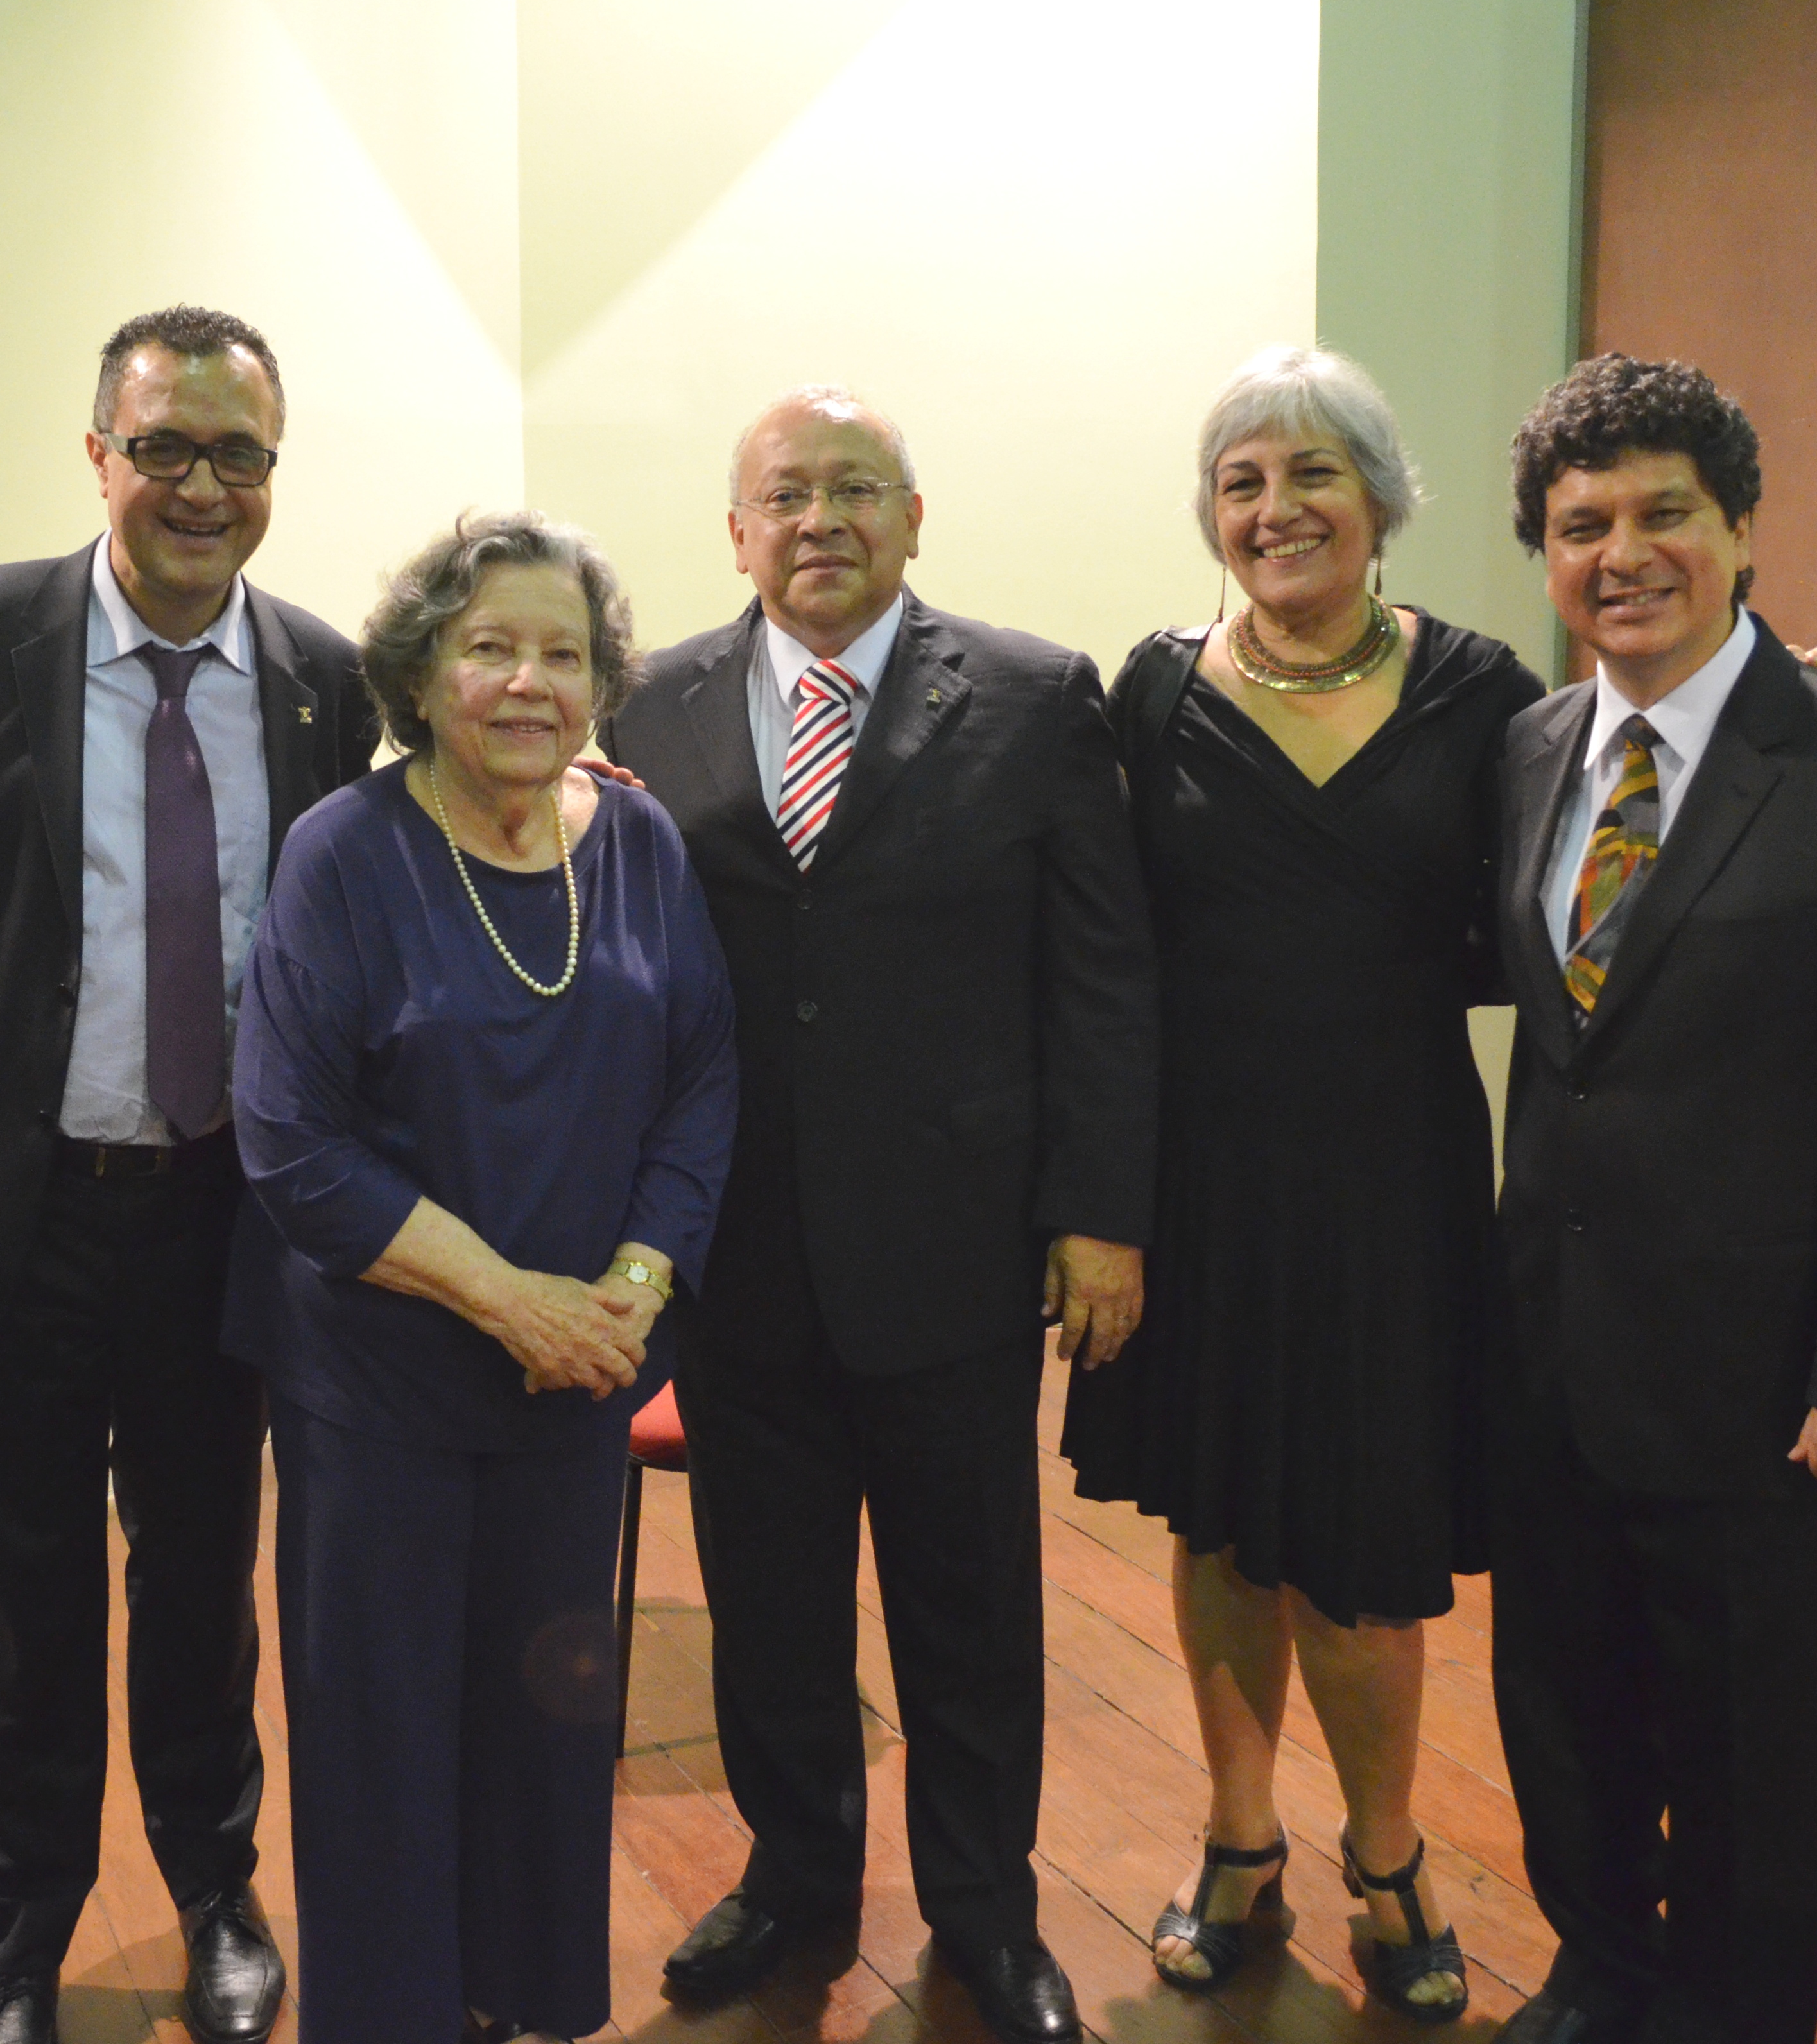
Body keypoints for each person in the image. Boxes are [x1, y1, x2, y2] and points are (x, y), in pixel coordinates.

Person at [603, 388, 1157, 2044]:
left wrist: (1101, 1213)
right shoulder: (654, 703)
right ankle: (796, 1883)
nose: (821, 520)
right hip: (740, 1248)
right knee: (771, 1603)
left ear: (917, 519)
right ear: (737, 531)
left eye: (858, 490)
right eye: (788, 494)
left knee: (969, 1605)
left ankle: (988, 1911)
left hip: (959, 1249)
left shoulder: (1042, 697)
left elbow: (1103, 976)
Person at [0, 305, 380, 2044]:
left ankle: (216, 1892)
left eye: (240, 454)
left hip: (227, 1222)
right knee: (14, 1605)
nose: (201, 485)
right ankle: (19, 1942)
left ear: (274, 476)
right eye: (165, 447)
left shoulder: (320, 676)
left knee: (203, 1577)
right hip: (17, 1213)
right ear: (100, 456)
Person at [1487, 355, 1817, 2044]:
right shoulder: (1530, 751)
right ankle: (1597, 1972)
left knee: (1742, 1786)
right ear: (1545, 557)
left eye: (1663, 516)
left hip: (1766, 1394)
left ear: (1740, 534)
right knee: (1562, 1728)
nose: (1622, 552)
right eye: (1582, 526)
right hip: (1555, 1374)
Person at [1060, 345, 1547, 2023]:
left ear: (1381, 499)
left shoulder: (1487, 695)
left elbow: (1609, 850)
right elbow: (1087, 938)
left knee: (1358, 1537)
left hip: (1395, 1179)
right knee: (1220, 1515)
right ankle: (1241, 1838)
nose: (1278, 509)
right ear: (1213, 515)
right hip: (1201, 1181)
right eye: (1244, 482)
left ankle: (1392, 1851)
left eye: (1313, 473)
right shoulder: (1147, 693)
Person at [221, 511, 738, 2044]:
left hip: (575, 1383)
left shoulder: (639, 844)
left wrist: (632, 1294)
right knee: (381, 1738)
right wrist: (515, 1303)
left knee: (546, 1718)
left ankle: (521, 2003)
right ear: (422, 671)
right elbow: (290, 1142)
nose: (530, 682)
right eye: (490, 647)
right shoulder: (345, 854)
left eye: (563, 653)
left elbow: (702, 1080)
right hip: (382, 1386)